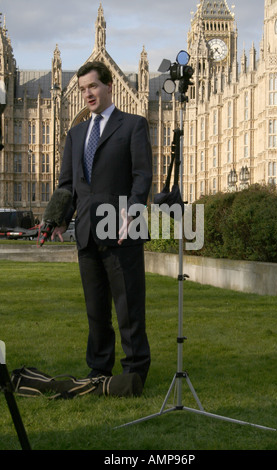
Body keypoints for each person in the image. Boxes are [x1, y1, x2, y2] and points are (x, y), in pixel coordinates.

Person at [52, 61, 152, 387]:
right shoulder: (77, 133)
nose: (87, 94)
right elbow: (67, 184)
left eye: (92, 86)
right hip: (86, 232)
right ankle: (98, 370)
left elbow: (141, 175)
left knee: (128, 306)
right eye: (82, 89)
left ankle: (135, 370)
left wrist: (134, 210)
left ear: (109, 85)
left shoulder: (133, 125)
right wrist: (57, 220)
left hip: (122, 226)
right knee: (96, 309)